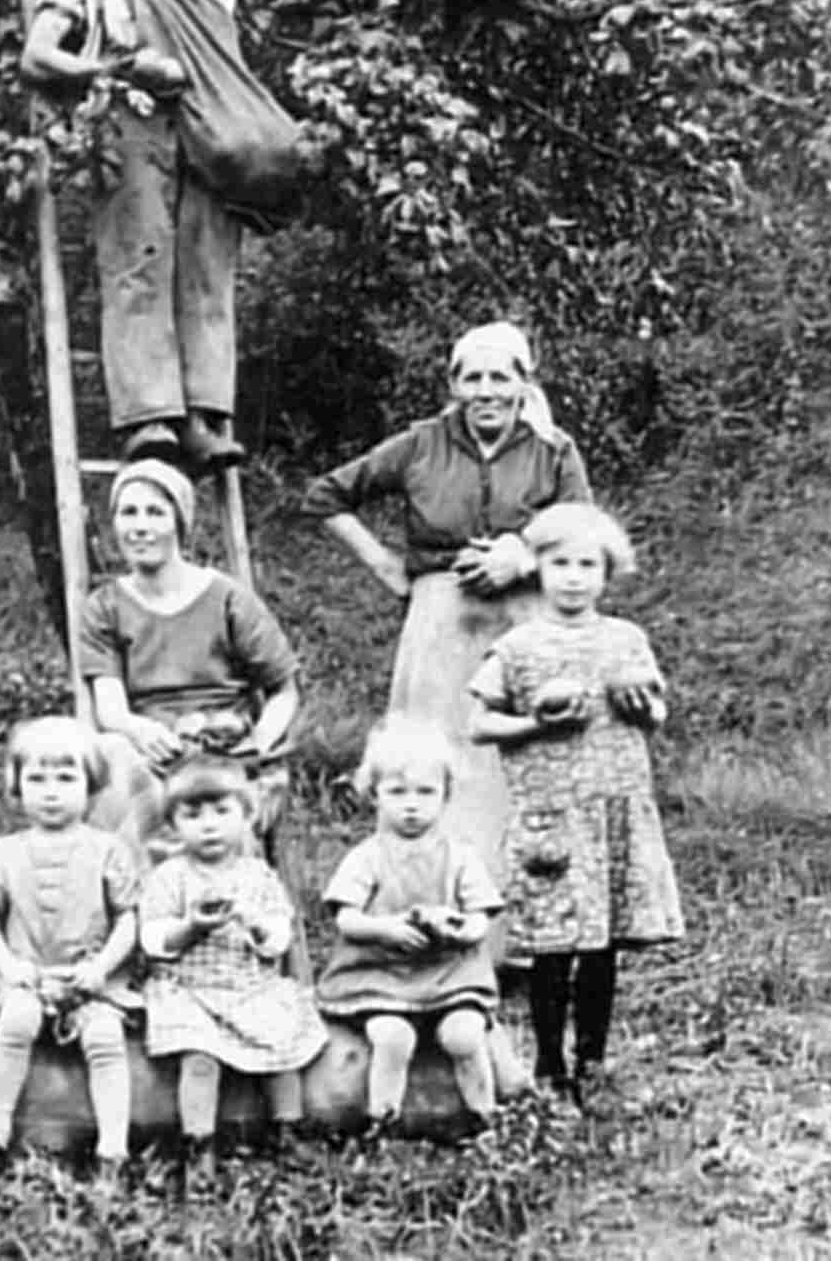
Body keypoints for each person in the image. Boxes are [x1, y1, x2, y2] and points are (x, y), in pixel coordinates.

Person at [21, 0, 385, 469]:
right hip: (131, 125)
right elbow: (39, 55)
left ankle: (208, 416)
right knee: (137, 267)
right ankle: (148, 417)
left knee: (209, 270)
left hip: (211, 128)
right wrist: (114, 69)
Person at [299, 321, 590, 901]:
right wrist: (388, 568)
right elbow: (326, 496)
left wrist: (525, 552)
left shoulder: (552, 450)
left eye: (500, 377)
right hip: (441, 625)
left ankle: (527, 931)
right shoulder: (421, 444)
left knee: (521, 761)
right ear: (454, 385)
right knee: (433, 762)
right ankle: (428, 914)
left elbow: (584, 531)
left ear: (522, 383)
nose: (486, 391)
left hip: (524, 622)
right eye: (473, 377)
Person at [469, 504, 683, 1105]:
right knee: (552, 945)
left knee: (603, 943)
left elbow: (657, 715)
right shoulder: (518, 645)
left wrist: (644, 709)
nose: (573, 577)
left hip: (614, 810)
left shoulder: (626, 640)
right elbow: (479, 723)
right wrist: (535, 723)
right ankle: (548, 1063)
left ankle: (592, 1059)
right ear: (537, 569)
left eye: (587, 564)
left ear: (606, 572)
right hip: (551, 811)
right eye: (560, 563)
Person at [77, 457, 302, 860]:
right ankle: (145, 909)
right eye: (128, 513)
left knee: (221, 798)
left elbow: (283, 689)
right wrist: (138, 730)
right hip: (152, 745)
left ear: (179, 522)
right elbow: (109, 707)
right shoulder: (105, 607)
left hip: (224, 740)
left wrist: (259, 741)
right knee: (114, 759)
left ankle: (234, 910)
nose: (140, 526)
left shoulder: (227, 598)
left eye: (155, 512)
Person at [0, 716, 141, 1181]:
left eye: (66, 778)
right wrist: (9, 967)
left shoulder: (108, 849)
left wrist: (101, 968)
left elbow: (128, 920)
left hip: (89, 980)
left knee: (104, 1037)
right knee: (17, 1021)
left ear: (91, 784)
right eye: (36, 779)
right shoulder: (4, 852)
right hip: (29, 974)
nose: (51, 791)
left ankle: (112, 1148)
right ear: (17, 787)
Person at [138, 759, 328, 1179]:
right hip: (189, 988)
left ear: (246, 818)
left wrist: (253, 920)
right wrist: (189, 926)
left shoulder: (259, 876)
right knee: (199, 1058)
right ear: (172, 825)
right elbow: (152, 940)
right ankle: (199, 1145)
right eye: (192, 815)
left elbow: (280, 939)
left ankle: (287, 1129)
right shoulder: (169, 877)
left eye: (222, 812)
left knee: (285, 1046)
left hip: (249, 983)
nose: (209, 826)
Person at [316, 717, 503, 1133]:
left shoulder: (460, 856)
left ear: (445, 796)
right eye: (397, 793)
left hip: (449, 973)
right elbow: (346, 918)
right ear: (375, 796)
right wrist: (384, 929)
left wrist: (459, 930)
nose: (412, 805)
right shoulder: (367, 857)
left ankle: (486, 1119)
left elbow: (480, 919)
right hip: (382, 974)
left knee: (465, 1035)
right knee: (391, 1037)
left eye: (425, 792)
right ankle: (382, 1121)